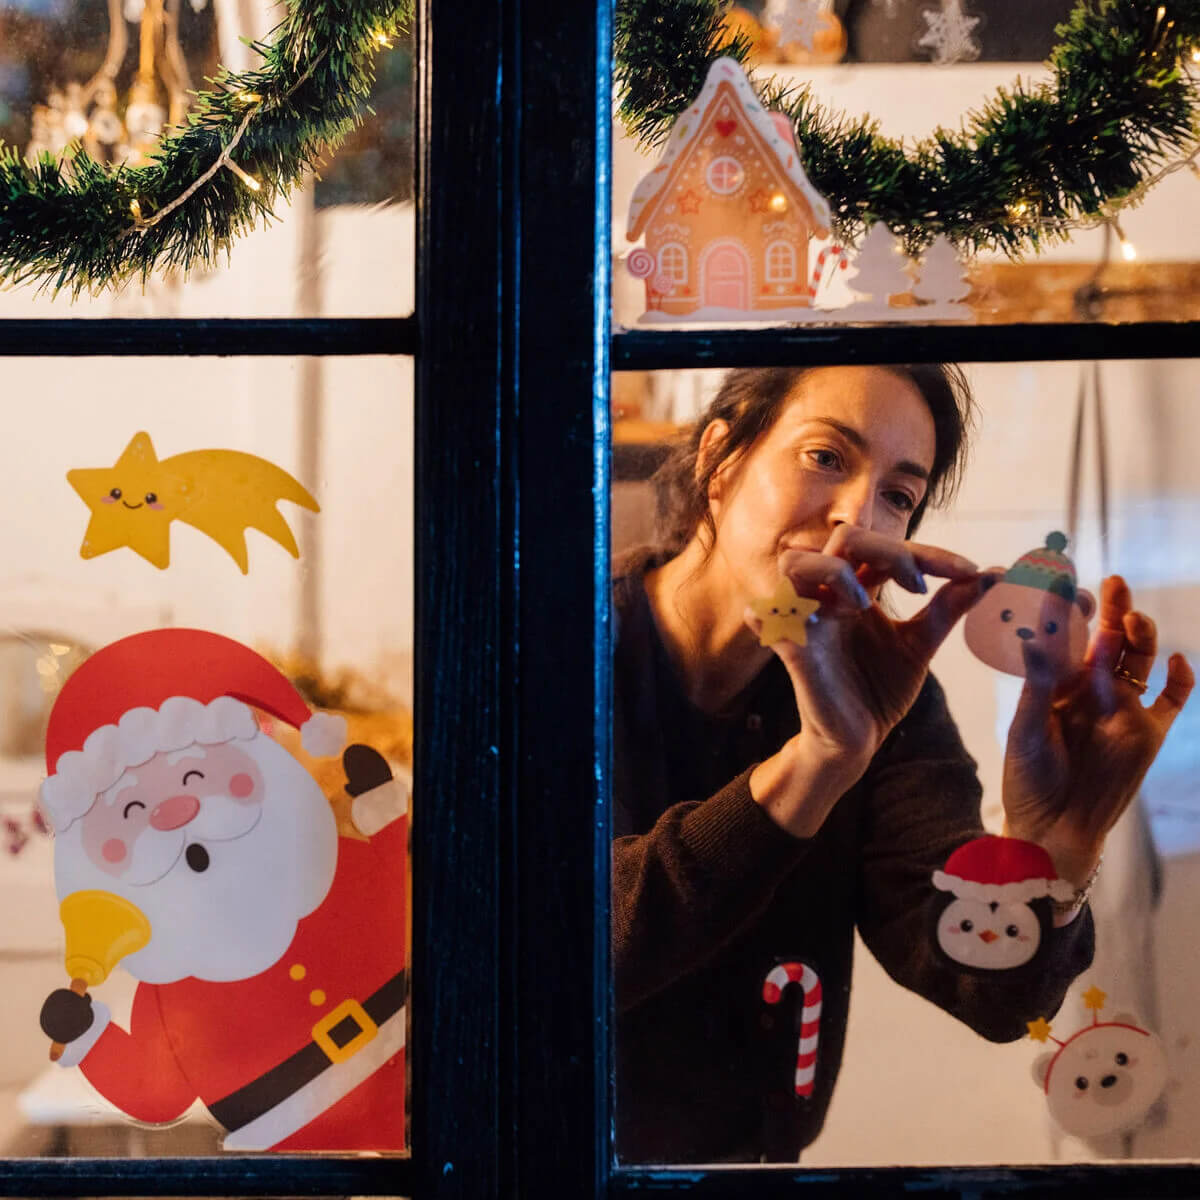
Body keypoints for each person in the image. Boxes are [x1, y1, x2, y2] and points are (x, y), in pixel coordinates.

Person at [612, 364, 1193, 1164]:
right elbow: (562, 955)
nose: (857, 515)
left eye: (897, 494)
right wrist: (817, 763)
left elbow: (988, 996)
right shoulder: (564, 648)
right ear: (719, 458)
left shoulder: (884, 698)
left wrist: (1049, 854)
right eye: (825, 457)